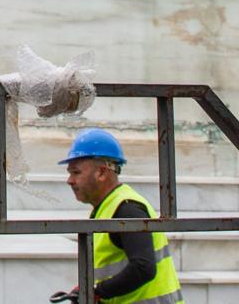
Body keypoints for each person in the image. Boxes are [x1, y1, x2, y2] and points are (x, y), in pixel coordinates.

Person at [53, 128, 183, 304]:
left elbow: (143, 268)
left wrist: (98, 292)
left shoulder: (126, 209)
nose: (69, 180)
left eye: (76, 172)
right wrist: (89, 291)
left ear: (101, 173)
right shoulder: (108, 208)